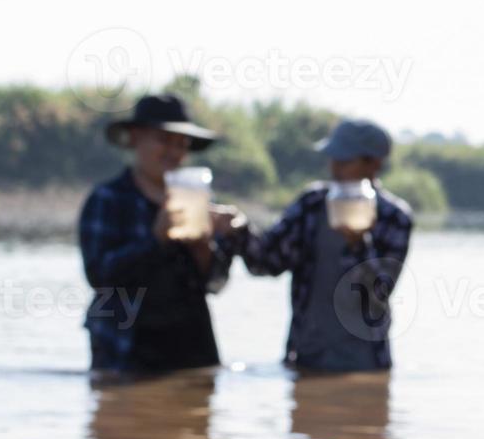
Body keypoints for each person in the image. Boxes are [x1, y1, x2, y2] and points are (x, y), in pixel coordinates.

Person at [78, 94, 242, 373]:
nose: (173, 151)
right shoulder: (107, 199)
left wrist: (204, 248)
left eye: (181, 143)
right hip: (122, 351)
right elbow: (99, 277)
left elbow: (216, 283)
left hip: (192, 350)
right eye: (163, 140)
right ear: (135, 138)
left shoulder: (200, 202)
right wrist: (156, 239)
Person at [236, 119, 412, 371]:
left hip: (366, 364)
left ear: (374, 163)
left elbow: (377, 295)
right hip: (306, 357)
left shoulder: (395, 218)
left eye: (344, 160)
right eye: (333, 159)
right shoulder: (312, 204)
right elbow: (267, 262)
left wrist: (358, 246)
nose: (334, 168)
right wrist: (237, 231)